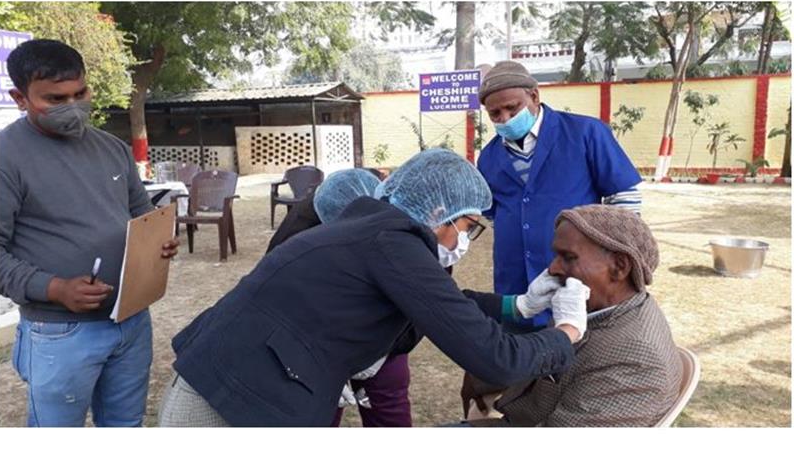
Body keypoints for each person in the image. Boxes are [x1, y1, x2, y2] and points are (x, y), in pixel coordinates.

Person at [158, 148, 589, 427]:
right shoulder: (394, 244)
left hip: (223, 380)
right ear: (439, 212)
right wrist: (567, 331)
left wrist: (518, 306)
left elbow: (440, 303)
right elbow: (496, 359)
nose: (464, 240)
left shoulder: (372, 230)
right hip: (227, 402)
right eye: (467, 226)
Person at [0, 39, 179, 427]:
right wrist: (55, 288)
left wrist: (158, 241)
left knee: (125, 428)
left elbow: (141, 213)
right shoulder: (4, 157)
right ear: (20, 98)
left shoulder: (112, 149)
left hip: (130, 322)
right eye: (55, 99)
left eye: (80, 94)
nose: (73, 106)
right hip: (59, 331)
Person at [461, 205, 683, 427]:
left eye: (568, 257)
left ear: (619, 267)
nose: (553, 268)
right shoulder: (596, 309)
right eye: (556, 255)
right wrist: (482, 376)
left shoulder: (637, 360)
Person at [477, 60, 642, 331]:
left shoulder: (585, 133)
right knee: (519, 348)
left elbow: (624, 197)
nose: (505, 118)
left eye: (512, 108)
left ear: (534, 96)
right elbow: (494, 213)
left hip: (578, 274)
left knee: (576, 341)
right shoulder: (489, 157)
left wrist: (612, 259)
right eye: (495, 114)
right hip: (514, 279)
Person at [266, 168, 414, 427]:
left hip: (384, 339)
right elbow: (279, 303)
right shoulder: (299, 233)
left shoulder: (405, 225)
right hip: (315, 343)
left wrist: (385, 349)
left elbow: (421, 306)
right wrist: (316, 355)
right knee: (318, 411)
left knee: (388, 403)